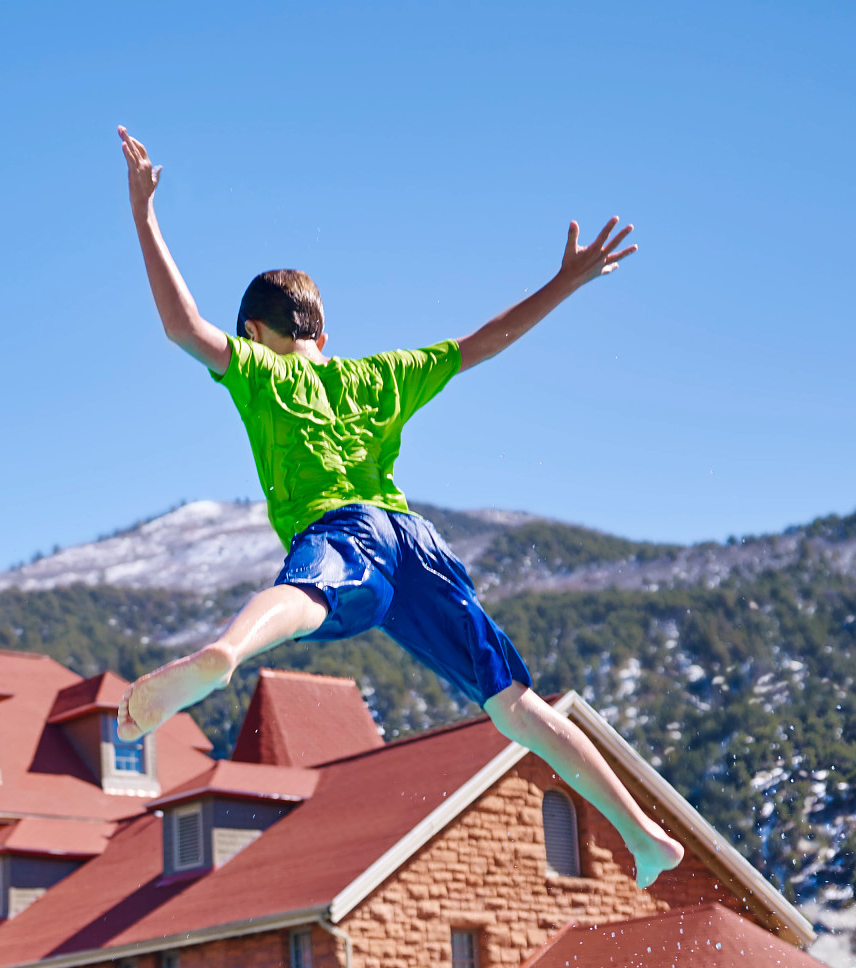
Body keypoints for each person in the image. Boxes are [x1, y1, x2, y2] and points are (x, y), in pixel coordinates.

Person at [112, 128, 688, 889]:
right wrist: (567, 283)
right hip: (415, 541)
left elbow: (182, 328)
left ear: (256, 331)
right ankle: (643, 834)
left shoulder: (258, 373)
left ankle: (228, 652)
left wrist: (144, 218)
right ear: (323, 334)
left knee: (309, 593)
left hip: (347, 529)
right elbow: (482, 344)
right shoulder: (379, 376)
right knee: (514, 703)